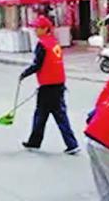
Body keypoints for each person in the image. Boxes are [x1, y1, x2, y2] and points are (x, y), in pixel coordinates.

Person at [20, 15, 80, 154]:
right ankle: (70, 144)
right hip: (58, 83)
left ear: (45, 29)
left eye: (38, 28)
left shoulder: (42, 44)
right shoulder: (54, 42)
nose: (35, 30)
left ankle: (36, 142)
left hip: (48, 85)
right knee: (56, 115)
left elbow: (37, 64)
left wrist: (24, 74)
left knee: (42, 114)